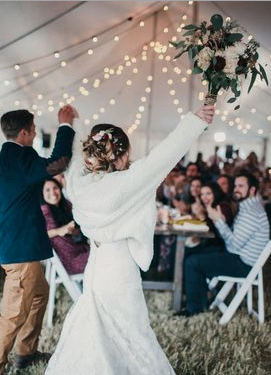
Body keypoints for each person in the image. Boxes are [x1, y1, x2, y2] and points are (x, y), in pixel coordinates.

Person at [45, 105, 214, 374]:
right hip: (119, 266)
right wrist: (195, 122)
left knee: (94, 324)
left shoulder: (77, 181)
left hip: (96, 264)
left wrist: (70, 124)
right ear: (121, 154)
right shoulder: (128, 182)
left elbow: (75, 155)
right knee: (131, 329)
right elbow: (165, 155)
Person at [0, 106, 76, 375]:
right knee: (11, 317)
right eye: (32, 130)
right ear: (23, 133)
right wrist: (65, 125)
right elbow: (60, 162)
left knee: (39, 295)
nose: (33, 134)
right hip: (21, 253)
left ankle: (25, 353)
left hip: (13, 248)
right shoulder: (24, 161)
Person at [178, 171, 270, 317]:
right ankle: (200, 301)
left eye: (241, 186)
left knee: (192, 262)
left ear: (252, 190)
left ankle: (194, 308)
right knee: (192, 254)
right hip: (238, 256)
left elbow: (234, 244)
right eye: (235, 186)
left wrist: (218, 221)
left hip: (244, 264)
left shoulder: (252, 212)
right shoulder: (248, 207)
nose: (236, 189)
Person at [40, 178, 89, 274]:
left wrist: (74, 231)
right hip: (71, 262)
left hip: (80, 250)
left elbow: (78, 228)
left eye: (55, 188)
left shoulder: (66, 205)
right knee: (104, 256)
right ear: (42, 194)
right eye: (47, 190)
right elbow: (39, 236)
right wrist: (59, 231)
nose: (53, 192)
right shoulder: (44, 211)